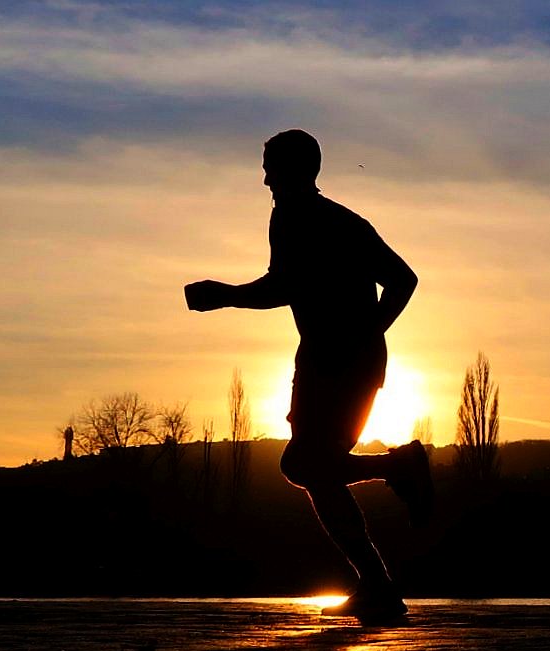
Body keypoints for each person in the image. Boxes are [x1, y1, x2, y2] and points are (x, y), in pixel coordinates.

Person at [184, 129, 431, 624]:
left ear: (297, 169)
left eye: (270, 166)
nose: (264, 178)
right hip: (326, 359)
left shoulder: (314, 218)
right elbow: (300, 283)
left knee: (307, 465)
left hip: (342, 363)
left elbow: (293, 284)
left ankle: (395, 485)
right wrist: (367, 333)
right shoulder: (318, 219)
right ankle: (378, 581)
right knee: (310, 468)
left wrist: (225, 294)